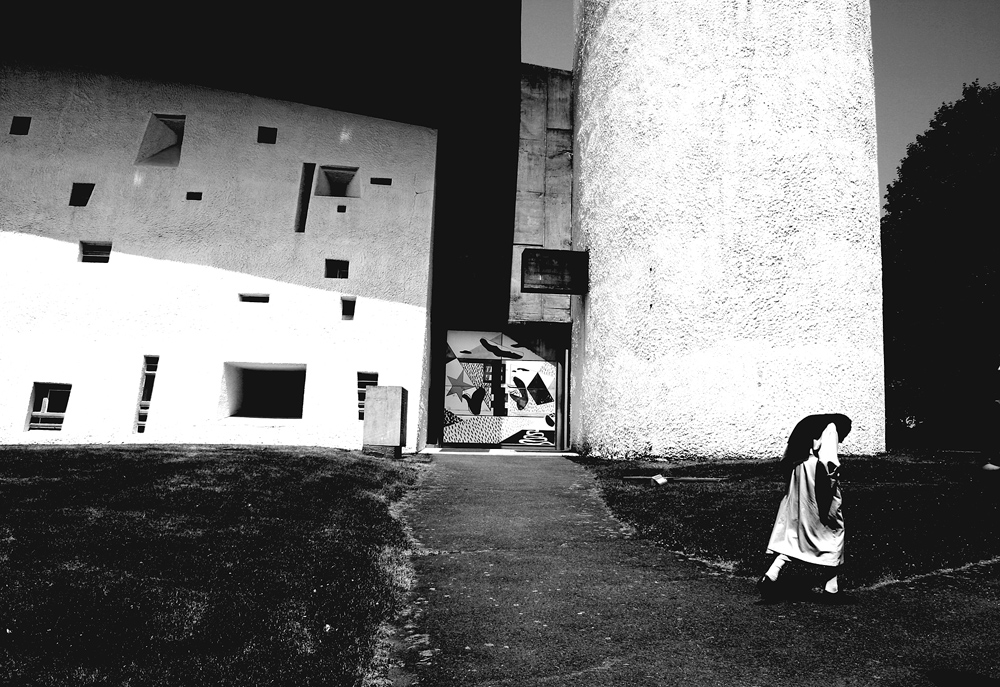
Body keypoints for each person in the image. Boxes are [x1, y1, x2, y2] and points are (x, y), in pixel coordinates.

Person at [758, 413, 853, 603]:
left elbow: (786, 458)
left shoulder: (809, 425)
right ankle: (831, 588)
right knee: (833, 527)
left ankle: (772, 574)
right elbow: (829, 460)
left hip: (799, 473)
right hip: (817, 476)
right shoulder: (832, 426)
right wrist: (833, 483)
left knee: (799, 529)